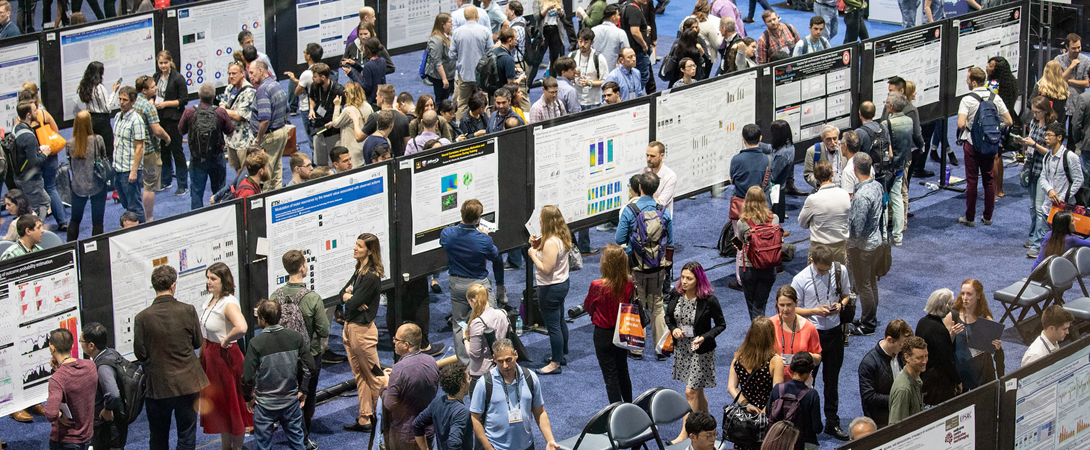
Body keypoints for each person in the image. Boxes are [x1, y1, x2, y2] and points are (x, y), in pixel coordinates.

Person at [135, 265, 210, 450]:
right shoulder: (188, 310)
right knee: (186, 435)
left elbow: (140, 353)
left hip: (158, 386)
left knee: (158, 436)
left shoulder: (142, 318)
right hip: (188, 383)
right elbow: (197, 342)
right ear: (173, 285)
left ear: (154, 286)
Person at [791, 244, 851, 441]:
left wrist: (840, 306)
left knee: (832, 381)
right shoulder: (800, 279)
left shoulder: (839, 270)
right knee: (809, 382)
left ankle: (832, 422)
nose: (825, 272)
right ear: (812, 262)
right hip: (812, 334)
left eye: (827, 269)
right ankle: (807, 424)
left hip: (834, 333)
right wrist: (815, 311)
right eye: (820, 269)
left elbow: (847, 295)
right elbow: (793, 309)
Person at [270, 250, 329, 449]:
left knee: (287, 393)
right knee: (307, 396)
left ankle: (288, 427)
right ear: (303, 267)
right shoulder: (312, 298)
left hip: (282, 356)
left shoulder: (275, 295)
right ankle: (303, 438)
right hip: (308, 356)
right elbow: (324, 329)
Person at [242, 300, 315, 450]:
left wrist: (248, 398)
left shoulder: (256, 343)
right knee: (298, 444)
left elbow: (247, 377)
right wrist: (304, 390)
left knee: (264, 446)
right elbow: (311, 367)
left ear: (262, 319)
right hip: (291, 402)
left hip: (264, 405)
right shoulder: (295, 337)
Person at [664, 261, 724, 441]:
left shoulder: (709, 300)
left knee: (690, 392)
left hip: (700, 351)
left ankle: (685, 432)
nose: (684, 281)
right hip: (682, 349)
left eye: (689, 278)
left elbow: (721, 324)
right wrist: (673, 328)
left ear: (699, 280)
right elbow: (668, 316)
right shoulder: (676, 294)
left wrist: (704, 337)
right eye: (682, 277)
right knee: (698, 392)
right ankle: (708, 423)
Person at [441, 199, 506, 363]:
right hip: (478, 286)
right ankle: (495, 358)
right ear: (478, 218)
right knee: (490, 319)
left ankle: (465, 363)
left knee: (460, 323)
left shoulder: (447, 234)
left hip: (457, 285)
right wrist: (485, 236)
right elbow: (495, 256)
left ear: (461, 212)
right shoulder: (483, 240)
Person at [616, 172, 673, 360]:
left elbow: (619, 239)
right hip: (658, 267)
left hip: (636, 266)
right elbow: (670, 241)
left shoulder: (629, 210)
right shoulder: (663, 210)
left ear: (639, 187)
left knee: (636, 305)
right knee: (657, 306)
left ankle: (636, 349)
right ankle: (662, 349)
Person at [469, 339, 559, 450]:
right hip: (496, 447)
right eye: (500, 361)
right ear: (494, 359)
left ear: (515, 354)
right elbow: (474, 418)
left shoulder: (530, 378)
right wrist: (488, 448)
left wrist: (550, 440)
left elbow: (539, 411)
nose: (505, 365)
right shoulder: (484, 383)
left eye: (508, 360)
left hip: (526, 446)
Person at [197, 263, 251, 448]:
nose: (208, 282)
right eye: (208, 278)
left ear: (224, 280)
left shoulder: (228, 303)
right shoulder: (212, 300)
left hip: (225, 360)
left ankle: (237, 447)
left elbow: (242, 327)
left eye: (213, 278)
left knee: (233, 407)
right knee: (222, 408)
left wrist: (227, 339)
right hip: (211, 359)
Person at [340, 233, 387, 432]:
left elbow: (352, 302)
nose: (355, 248)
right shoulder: (359, 270)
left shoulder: (371, 276)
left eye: (359, 246)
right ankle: (365, 417)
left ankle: (388, 416)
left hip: (362, 332)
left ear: (369, 250)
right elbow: (343, 294)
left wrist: (350, 298)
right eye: (355, 244)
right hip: (350, 328)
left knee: (374, 376)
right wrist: (349, 297)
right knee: (360, 374)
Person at [957, 66, 1013, 227]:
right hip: (990, 143)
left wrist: (970, 125)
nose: (966, 81)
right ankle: (987, 217)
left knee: (972, 181)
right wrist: (995, 126)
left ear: (974, 82)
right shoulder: (995, 98)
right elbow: (1009, 121)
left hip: (972, 144)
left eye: (968, 79)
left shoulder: (967, 100)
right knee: (989, 180)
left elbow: (961, 124)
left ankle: (970, 218)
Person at [580, 244, 635, 403]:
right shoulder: (628, 283)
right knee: (623, 371)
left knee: (610, 377)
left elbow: (588, 307)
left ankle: (617, 413)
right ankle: (630, 408)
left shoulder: (597, 285)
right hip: (622, 331)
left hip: (603, 334)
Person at [727, 316, 785, 450]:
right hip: (767, 417)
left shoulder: (738, 357)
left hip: (745, 415)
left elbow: (731, 387)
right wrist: (762, 412)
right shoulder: (775, 361)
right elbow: (777, 393)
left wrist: (746, 405)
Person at [526, 205, 572, 375]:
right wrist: (536, 245)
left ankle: (555, 363)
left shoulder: (551, 243)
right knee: (560, 321)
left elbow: (546, 269)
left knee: (553, 326)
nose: (538, 219)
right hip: (561, 284)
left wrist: (532, 254)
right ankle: (561, 354)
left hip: (550, 288)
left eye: (541, 217)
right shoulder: (560, 236)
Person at [1026, 123, 1081, 258]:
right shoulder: (1047, 156)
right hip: (1048, 205)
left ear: (1059, 137)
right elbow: (1043, 177)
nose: (1046, 138)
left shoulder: (1070, 157)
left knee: (1064, 242)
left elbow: (1079, 180)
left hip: (1064, 208)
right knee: (1046, 239)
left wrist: (1062, 198)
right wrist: (1050, 190)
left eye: (1049, 135)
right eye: (1046, 135)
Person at [19, 84, 67, 232]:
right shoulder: (43, 113)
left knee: (36, 191)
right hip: (51, 156)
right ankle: (63, 221)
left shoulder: (20, 121)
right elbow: (56, 131)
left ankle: (34, 226)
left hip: (34, 159)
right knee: (51, 188)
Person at [384, 323, 440, 450]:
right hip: (428, 431)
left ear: (406, 345)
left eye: (396, 339)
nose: (394, 342)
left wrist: (384, 386)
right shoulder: (432, 362)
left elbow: (389, 404)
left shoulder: (399, 369)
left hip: (404, 434)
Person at [847, 153, 885, 336]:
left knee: (864, 286)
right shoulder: (877, 185)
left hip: (862, 247)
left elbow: (857, 229)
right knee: (870, 283)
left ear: (855, 169)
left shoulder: (861, 196)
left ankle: (868, 324)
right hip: (875, 242)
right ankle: (870, 317)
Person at [179, 83, 233, 210]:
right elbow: (230, 131)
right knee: (219, 191)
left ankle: (198, 219)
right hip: (217, 158)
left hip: (197, 159)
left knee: (196, 192)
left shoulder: (189, 112)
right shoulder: (221, 112)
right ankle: (220, 215)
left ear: (198, 95)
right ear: (214, 96)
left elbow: (181, 130)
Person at [45, 327, 97, 450]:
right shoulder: (90, 366)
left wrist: (60, 414)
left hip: (66, 440)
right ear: (72, 345)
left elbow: (50, 414)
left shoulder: (57, 379)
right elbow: (74, 383)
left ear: (52, 348)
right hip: (87, 435)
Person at [80, 323, 129, 450]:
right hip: (118, 420)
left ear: (91, 345)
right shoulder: (111, 352)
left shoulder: (103, 367)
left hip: (108, 427)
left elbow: (113, 393)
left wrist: (107, 408)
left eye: (81, 341)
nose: (80, 344)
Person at [949, 279, 1004, 390]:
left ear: (978, 296)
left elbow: (989, 349)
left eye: (969, 294)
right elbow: (943, 347)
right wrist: (951, 335)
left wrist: (996, 346)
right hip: (960, 372)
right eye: (963, 293)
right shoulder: (952, 315)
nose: (965, 297)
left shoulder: (985, 317)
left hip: (980, 374)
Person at [857, 319, 913, 427]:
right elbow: (869, 397)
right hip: (882, 420)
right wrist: (898, 398)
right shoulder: (868, 364)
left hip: (902, 413)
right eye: (901, 345)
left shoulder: (900, 354)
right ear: (890, 340)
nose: (903, 349)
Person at [1021, 99, 1058, 253]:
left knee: (1040, 208)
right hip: (1031, 167)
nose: (1034, 115)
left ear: (1045, 111)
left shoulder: (1052, 127)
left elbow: (1051, 152)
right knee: (1032, 207)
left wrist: (1034, 145)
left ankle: (1038, 243)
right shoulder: (1034, 123)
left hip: (1043, 170)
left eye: (1037, 112)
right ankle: (1033, 236)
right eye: (1033, 111)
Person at [736, 186, 778, 320]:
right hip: (769, 266)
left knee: (751, 304)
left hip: (749, 267)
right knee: (761, 304)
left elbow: (741, 241)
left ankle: (759, 335)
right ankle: (760, 333)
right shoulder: (774, 218)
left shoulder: (742, 222)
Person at [65, 111, 108, 241]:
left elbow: (70, 165)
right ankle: (97, 250)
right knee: (98, 221)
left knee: (75, 220)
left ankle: (70, 248)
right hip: (97, 184)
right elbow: (104, 157)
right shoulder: (98, 139)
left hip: (78, 186)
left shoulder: (70, 144)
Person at [765, 352, 822, 450]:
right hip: (803, 443)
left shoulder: (777, 388)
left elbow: (768, 413)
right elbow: (817, 428)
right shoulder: (812, 394)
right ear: (810, 372)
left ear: (791, 368)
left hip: (778, 441)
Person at [249, 60, 291, 191]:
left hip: (270, 135)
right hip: (281, 131)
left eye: (251, 72)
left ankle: (266, 201)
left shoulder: (262, 90)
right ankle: (276, 196)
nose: (249, 76)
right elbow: (287, 109)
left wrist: (258, 139)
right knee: (276, 170)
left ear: (261, 71)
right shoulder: (276, 84)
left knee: (266, 171)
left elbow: (265, 119)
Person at [799, 160, 850, 266]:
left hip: (819, 249)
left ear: (816, 178)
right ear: (832, 173)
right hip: (840, 248)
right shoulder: (845, 195)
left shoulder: (813, 199)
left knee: (816, 280)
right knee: (839, 280)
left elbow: (802, 223)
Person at [915, 288, 960, 406]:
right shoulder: (940, 330)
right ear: (944, 306)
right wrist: (957, 381)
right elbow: (947, 360)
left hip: (923, 374)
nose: (952, 307)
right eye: (950, 303)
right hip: (937, 383)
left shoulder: (922, 322)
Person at [414, 362, 474, 450]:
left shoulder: (438, 401)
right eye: (468, 378)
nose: (469, 381)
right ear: (462, 383)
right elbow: (454, 443)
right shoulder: (462, 412)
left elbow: (417, 424)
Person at [152, 51, 188, 196]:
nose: (163, 66)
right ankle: (166, 180)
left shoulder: (178, 78)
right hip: (160, 118)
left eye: (165, 63)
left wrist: (166, 104)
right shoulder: (156, 77)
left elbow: (183, 100)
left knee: (176, 151)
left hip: (174, 119)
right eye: (161, 63)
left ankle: (183, 185)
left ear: (170, 62)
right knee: (164, 151)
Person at [110, 88, 148, 222]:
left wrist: (134, 171)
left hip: (129, 170)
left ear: (133, 102)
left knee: (135, 207)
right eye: (120, 99)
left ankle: (144, 230)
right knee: (126, 204)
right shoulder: (117, 117)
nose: (121, 102)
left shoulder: (136, 120)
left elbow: (139, 147)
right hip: (118, 168)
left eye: (125, 100)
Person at [769, 285, 822, 381]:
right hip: (775, 380)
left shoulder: (809, 327)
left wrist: (807, 357)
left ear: (796, 303)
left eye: (789, 304)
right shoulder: (769, 325)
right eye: (781, 305)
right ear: (777, 304)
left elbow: (818, 359)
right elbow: (759, 353)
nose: (785, 309)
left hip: (801, 381)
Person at [450, 5, 493, 119]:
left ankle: (460, 133)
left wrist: (462, 59)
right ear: (477, 15)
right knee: (484, 103)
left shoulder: (457, 32)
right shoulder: (485, 31)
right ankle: (488, 128)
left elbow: (452, 54)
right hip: (482, 76)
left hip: (465, 74)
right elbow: (490, 52)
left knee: (462, 103)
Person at [10, 101, 49, 220]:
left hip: (19, 177)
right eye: (34, 111)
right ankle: (32, 234)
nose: (37, 112)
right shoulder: (29, 137)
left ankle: (37, 229)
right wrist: (45, 154)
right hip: (31, 181)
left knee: (46, 201)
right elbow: (34, 163)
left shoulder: (16, 128)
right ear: (28, 115)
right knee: (32, 213)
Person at [465, 283, 510, 381]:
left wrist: (465, 338)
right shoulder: (503, 313)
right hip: (502, 368)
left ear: (472, 300)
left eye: (469, 301)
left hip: (482, 373)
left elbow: (474, 354)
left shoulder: (477, 323)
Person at [75, 62, 119, 155]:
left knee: (94, 148)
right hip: (102, 120)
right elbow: (107, 108)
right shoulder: (99, 88)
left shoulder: (84, 86)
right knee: (107, 149)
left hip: (90, 118)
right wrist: (114, 92)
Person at [307, 63, 347, 166]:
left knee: (335, 163)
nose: (313, 78)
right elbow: (312, 98)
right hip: (318, 129)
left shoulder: (339, 90)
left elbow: (348, 109)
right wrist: (311, 109)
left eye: (315, 76)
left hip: (333, 132)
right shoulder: (315, 86)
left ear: (323, 77)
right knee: (320, 162)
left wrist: (335, 121)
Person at [283, 43, 321, 148]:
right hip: (320, 106)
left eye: (305, 52)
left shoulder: (307, 74)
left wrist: (297, 83)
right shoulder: (323, 70)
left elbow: (297, 92)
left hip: (308, 108)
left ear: (308, 56)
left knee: (311, 138)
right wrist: (295, 80)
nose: (304, 54)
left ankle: (315, 162)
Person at [223, 62, 257, 177]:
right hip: (230, 139)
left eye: (234, 73)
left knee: (247, 172)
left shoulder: (250, 92)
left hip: (244, 141)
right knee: (237, 170)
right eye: (229, 74)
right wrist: (228, 111)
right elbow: (222, 105)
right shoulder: (229, 88)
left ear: (242, 73)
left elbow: (239, 116)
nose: (231, 76)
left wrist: (224, 111)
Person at [330, 82, 372, 167]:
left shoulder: (348, 110)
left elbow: (335, 123)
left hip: (352, 148)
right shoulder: (368, 106)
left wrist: (337, 106)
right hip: (365, 145)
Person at [362, 85, 412, 157]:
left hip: (380, 161)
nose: (376, 98)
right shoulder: (403, 118)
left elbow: (359, 137)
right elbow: (407, 145)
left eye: (377, 95)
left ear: (382, 99)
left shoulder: (375, 117)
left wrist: (355, 120)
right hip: (398, 160)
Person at [888, 336, 927, 424]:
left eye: (926, 356)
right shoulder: (903, 389)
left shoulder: (916, 376)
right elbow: (896, 427)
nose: (924, 361)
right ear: (907, 357)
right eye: (919, 358)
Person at [804, 125, 847, 189]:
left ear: (838, 137)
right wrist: (821, 183)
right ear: (822, 139)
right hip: (824, 189)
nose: (832, 142)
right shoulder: (813, 151)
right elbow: (808, 174)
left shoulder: (846, 148)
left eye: (835, 138)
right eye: (828, 139)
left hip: (843, 189)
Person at [426, 13, 456, 100]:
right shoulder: (436, 39)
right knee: (441, 100)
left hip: (450, 73)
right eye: (450, 22)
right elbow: (437, 61)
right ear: (442, 24)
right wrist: (444, 78)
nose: (452, 23)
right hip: (440, 77)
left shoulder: (450, 35)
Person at [591, 5, 628, 73]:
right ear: (613, 17)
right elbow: (627, 53)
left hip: (595, 70)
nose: (619, 17)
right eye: (618, 15)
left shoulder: (593, 30)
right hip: (613, 71)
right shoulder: (620, 33)